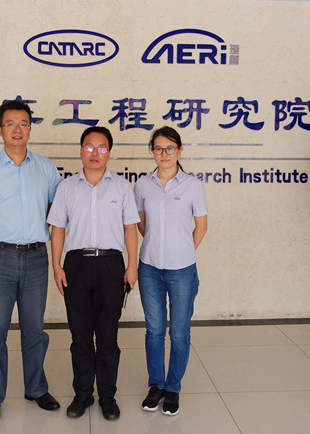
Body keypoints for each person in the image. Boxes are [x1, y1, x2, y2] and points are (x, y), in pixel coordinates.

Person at [0, 100, 62, 425]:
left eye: (23, 124)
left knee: (34, 330)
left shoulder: (45, 168)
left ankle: (36, 389)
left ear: (30, 127)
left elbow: (55, 209)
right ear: (0, 129)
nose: (17, 129)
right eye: (10, 124)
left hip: (36, 257)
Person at [47, 126, 140, 421]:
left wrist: (132, 266)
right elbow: (57, 228)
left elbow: (130, 229)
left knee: (108, 337)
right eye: (89, 146)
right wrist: (57, 266)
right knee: (80, 336)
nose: (95, 153)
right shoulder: (66, 188)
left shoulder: (122, 187)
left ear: (109, 152)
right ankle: (83, 394)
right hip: (76, 265)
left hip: (111, 266)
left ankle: (108, 397)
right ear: (81, 151)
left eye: (101, 147)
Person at [134, 126, 208, 416]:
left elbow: (201, 226)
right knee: (154, 331)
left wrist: (182, 250)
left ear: (179, 150)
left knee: (179, 332)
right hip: (149, 268)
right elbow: (141, 223)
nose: (164, 154)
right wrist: (157, 245)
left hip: (182, 271)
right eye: (158, 148)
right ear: (152, 151)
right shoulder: (143, 184)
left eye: (170, 148)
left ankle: (173, 387)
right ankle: (156, 385)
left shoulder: (192, 185)